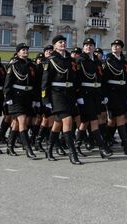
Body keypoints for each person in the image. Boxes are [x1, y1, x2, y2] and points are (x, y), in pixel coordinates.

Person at [42, 35, 81, 164]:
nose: (63, 44)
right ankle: (72, 153)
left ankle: (49, 148)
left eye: (64, 42)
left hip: (69, 94)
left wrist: (78, 95)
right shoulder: (51, 60)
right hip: (56, 94)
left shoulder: (70, 60)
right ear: (55, 46)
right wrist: (45, 99)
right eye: (60, 42)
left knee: (58, 123)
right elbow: (45, 82)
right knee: (68, 120)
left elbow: (75, 79)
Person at [74, 38, 112, 159]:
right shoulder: (80, 60)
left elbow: (101, 79)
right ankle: (102, 148)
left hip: (96, 94)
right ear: (83, 47)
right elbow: (76, 80)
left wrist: (103, 95)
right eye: (86, 45)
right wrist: (78, 96)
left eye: (91, 45)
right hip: (85, 94)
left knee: (85, 122)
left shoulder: (97, 61)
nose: (88, 47)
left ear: (94, 47)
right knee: (93, 120)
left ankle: (77, 145)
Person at [4, 43, 40, 159]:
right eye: (23, 50)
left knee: (16, 123)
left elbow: (35, 83)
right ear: (18, 52)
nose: (25, 51)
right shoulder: (13, 65)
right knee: (23, 120)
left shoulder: (31, 65)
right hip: (16, 96)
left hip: (28, 96)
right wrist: (8, 97)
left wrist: (36, 99)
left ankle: (10, 146)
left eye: (26, 49)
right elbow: (7, 83)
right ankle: (28, 149)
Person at [102, 39, 127, 155]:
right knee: (115, 119)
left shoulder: (124, 62)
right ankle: (118, 144)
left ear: (121, 48)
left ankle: (113, 143)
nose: (115, 47)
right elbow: (103, 79)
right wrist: (105, 95)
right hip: (111, 92)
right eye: (114, 45)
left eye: (118, 46)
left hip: (122, 93)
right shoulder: (107, 60)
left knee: (117, 119)